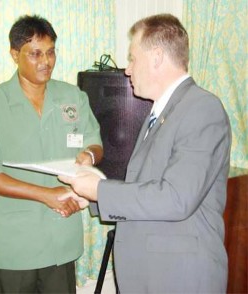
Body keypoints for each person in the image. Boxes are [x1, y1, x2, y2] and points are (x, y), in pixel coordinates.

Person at [59, 13, 232, 293]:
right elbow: (146, 188)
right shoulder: (161, 111)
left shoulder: (202, 108)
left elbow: (176, 198)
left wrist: (100, 190)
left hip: (179, 278)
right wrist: (90, 198)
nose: (127, 69)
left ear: (157, 57)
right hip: (152, 274)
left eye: (132, 58)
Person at [0, 14, 103, 293]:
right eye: (35, 54)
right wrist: (46, 195)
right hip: (13, 246)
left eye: (51, 52)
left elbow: (94, 142)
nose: (46, 61)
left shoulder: (73, 97)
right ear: (15, 54)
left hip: (60, 242)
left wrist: (89, 155)